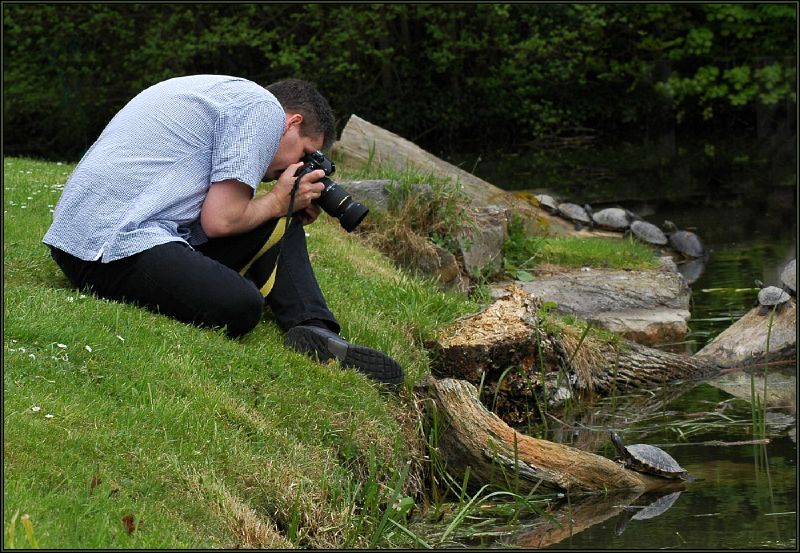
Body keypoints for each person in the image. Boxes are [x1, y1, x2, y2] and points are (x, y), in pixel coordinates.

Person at [42, 75, 404, 387]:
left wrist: (281, 209)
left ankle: (316, 331)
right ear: (292, 123)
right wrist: (278, 201)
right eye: (305, 154)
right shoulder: (262, 109)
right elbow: (221, 221)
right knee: (241, 304)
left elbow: (213, 218)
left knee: (278, 221)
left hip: (81, 238)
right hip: (112, 245)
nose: (296, 167)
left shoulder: (221, 93)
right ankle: (306, 325)